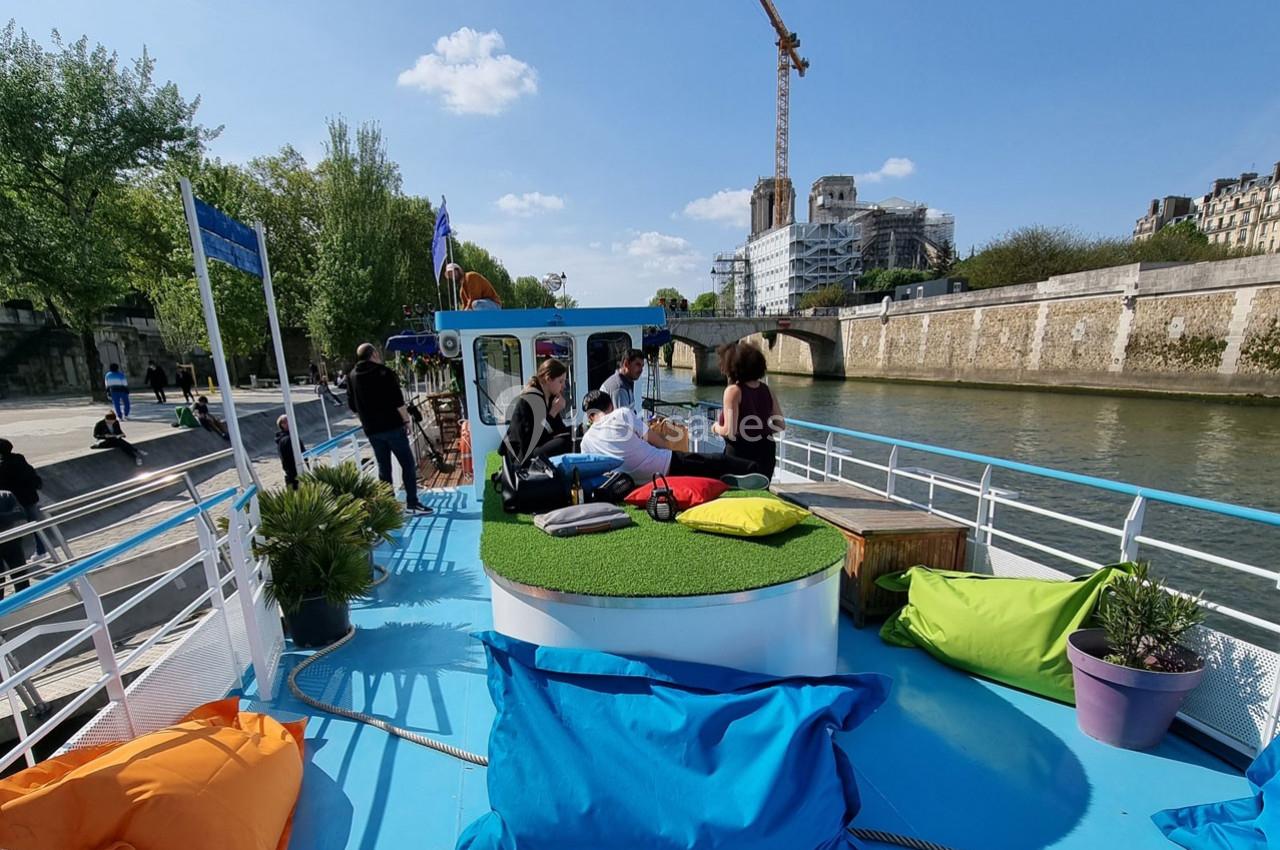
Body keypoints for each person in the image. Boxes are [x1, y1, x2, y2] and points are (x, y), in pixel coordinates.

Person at [580, 390, 768, 488]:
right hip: (664, 466)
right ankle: (755, 470)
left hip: (630, 481)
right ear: (611, 405)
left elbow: (596, 470)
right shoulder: (621, 414)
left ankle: (726, 478)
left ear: (589, 417)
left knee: (702, 467)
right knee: (715, 460)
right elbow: (657, 441)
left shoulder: (585, 442)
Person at [347, 343, 432, 514]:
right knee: (407, 464)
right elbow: (398, 402)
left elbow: (353, 406)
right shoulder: (384, 373)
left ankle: (389, 506)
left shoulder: (352, 376)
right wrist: (406, 421)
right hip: (392, 427)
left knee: (383, 468)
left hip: (372, 430)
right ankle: (412, 503)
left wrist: (366, 421)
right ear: (374, 354)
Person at [711, 342, 785, 480]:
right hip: (766, 452)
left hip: (740, 454)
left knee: (737, 494)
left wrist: (715, 428)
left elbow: (729, 431)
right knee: (761, 491)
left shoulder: (733, 391)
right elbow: (780, 425)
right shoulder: (767, 390)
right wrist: (759, 430)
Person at [501, 359, 573, 465]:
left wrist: (577, 430)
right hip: (523, 455)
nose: (564, 386)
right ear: (548, 379)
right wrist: (553, 413)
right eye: (560, 381)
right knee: (564, 443)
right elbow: (532, 439)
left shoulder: (551, 399)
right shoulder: (530, 401)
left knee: (573, 437)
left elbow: (559, 431)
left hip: (537, 448)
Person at [0, 439, 48, 557]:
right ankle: (42, 551)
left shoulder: (2, 466)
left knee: (10, 530)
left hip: (14, 503)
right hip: (29, 498)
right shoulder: (19, 459)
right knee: (36, 526)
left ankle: (16, 558)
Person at [0, 489, 30, 597]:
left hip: (12, 542)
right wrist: (6, 518)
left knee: (20, 574)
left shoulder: (6, 495)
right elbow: (15, 514)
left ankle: (25, 602)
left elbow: (20, 514)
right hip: (11, 538)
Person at [599, 348, 645, 415]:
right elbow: (621, 422)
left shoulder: (625, 383)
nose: (641, 370)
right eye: (637, 365)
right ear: (626, 364)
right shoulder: (619, 388)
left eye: (642, 366)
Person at [275, 415, 306, 490]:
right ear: (282, 425)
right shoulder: (287, 439)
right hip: (294, 474)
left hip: (293, 473)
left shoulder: (289, 437)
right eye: (286, 422)